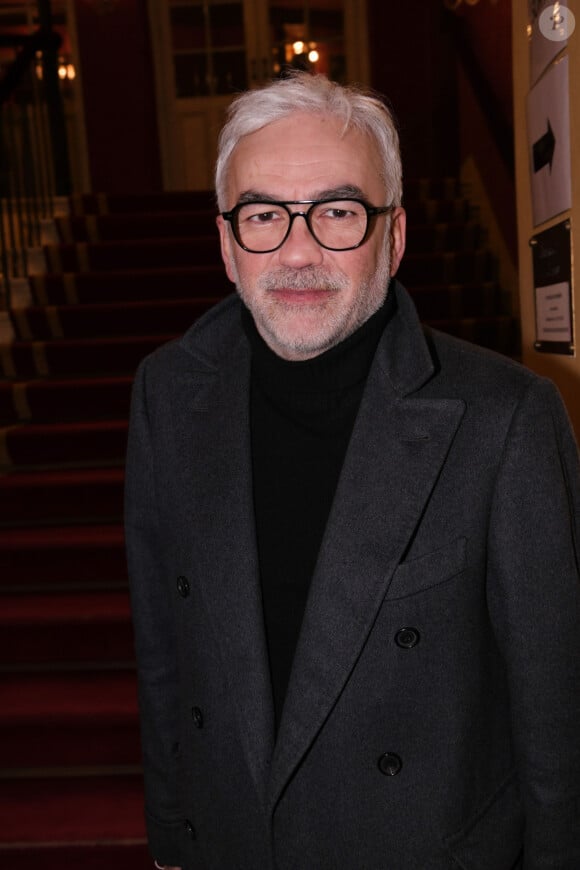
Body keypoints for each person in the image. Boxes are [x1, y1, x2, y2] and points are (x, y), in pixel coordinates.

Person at [125, 72, 580, 870]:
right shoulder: (167, 393)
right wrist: (171, 842)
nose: (298, 251)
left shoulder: (505, 419)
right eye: (264, 214)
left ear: (394, 238)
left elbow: (560, 709)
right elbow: (167, 652)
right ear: (227, 244)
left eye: (337, 212)